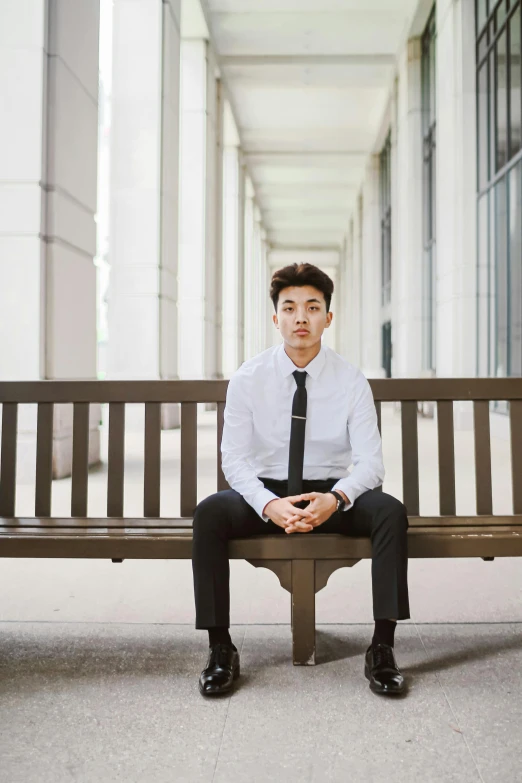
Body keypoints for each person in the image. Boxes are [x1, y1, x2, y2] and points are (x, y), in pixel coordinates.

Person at [192, 262, 410, 697]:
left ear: (328, 317)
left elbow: (371, 463)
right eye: (289, 308)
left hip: (329, 493)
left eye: (312, 307)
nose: (300, 318)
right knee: (210, 513)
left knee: (390, 511)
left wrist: (336, 497)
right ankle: (220, 648)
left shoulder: (350, 380)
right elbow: (233, 460)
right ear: (276, 318)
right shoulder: (249, 378)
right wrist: (268, 504)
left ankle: (382, 647)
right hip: (266, 492)